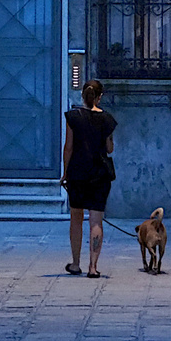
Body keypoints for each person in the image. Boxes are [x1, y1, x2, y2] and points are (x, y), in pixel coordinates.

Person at [60, 79, 117, 278]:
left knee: (76, 219)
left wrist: (65, 172)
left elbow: (69, 147)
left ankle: (76, 263)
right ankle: (93, 267)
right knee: (96, 221)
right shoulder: (108, 119)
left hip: (77, 173)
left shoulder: (73, 117)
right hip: (100, 175)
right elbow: (109, 149)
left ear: (82, 96)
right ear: (99, 97)